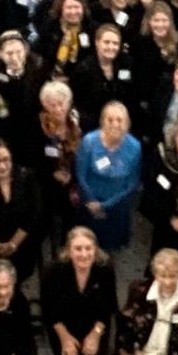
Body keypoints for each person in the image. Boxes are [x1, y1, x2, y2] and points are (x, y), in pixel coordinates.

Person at [42, 225, 116, 355]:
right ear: (68, 250)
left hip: (95, 324)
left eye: (88, 248)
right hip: (63, 326)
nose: (84, 254)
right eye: (78, 248)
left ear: (95, 249)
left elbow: (109, 305)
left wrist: (96, 334)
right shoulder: (52, 271)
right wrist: (65, 338)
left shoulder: (105, 269)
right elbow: (49, 310)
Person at [74, 100, 143, 249]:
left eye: (120, 120)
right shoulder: (89, 142)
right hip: (90, 201)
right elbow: (81, 174)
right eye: (109, 119)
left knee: (110, 243)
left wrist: (106, 205)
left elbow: (132, 181)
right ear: (101, 121)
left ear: (128, 123)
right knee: (89, 242)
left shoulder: (135, 146)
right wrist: (92, 202)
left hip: (117, 204)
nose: (115, 124)